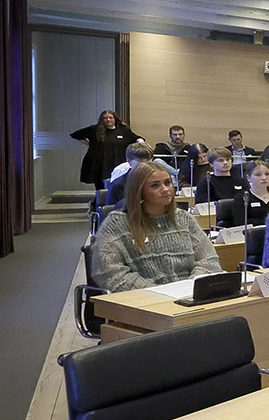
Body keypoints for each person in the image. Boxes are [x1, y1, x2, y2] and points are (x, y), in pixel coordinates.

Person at [91, 162, 222, 292]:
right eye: (155, 185)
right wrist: (158, 292)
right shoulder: (116, 224)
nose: (165, 189)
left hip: (188, 294)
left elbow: (208, 260)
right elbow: (109, 273)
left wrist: (190, 286)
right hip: (143, 298)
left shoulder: (184, 219)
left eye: (167, 183)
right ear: (139, 191)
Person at [71, 109, 139, 186]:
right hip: (100, 163)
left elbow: (135, 138)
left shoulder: (123, 130)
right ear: (101, 120)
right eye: (105, 118)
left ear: (115, 119)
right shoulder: (94, 129)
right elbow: (76, 135)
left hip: (118, 161)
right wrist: (91, 145)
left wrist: (140, 141)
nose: (108, 120)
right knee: (101, 186)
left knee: (119, 185)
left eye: (110, 117)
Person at [107, 144, 176, 209]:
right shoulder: (117, 185)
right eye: (140, 162)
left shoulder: (160, 181)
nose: (146, 166)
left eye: (148, 161)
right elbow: (111, 211)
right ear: (129, 161)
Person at [230, 160, 269, 227]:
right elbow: (240, 223)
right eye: (258, 175)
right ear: (248, 178)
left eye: (267, 174)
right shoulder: (242, 198)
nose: (264, 178)